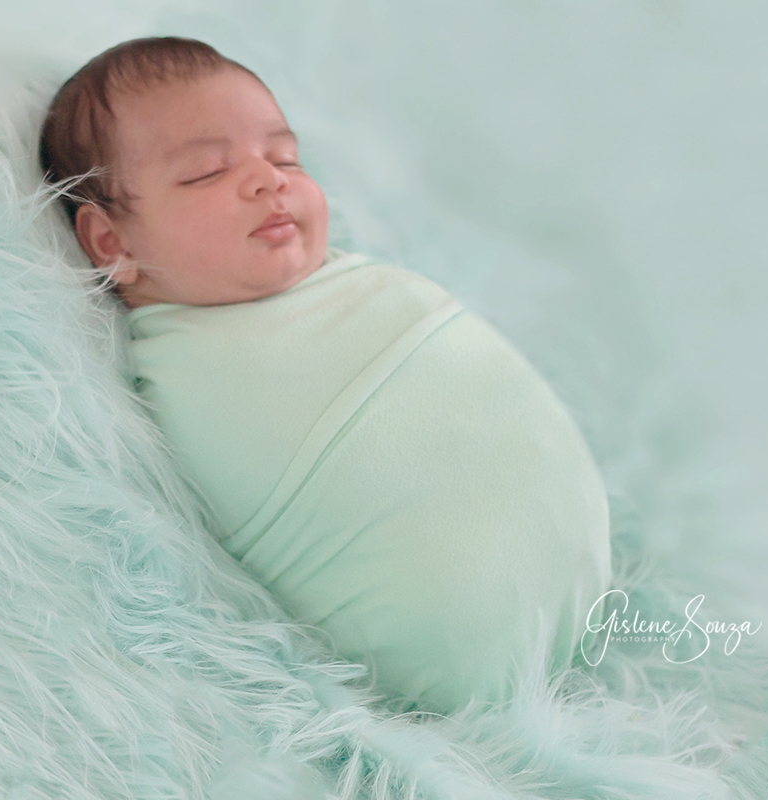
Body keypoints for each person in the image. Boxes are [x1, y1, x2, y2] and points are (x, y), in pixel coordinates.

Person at [39, 36, 612, 715]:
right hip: (444, 648)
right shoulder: (168, 370)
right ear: (113, 243)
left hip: (582, 585)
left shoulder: (350, 279)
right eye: (205, 173)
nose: (268, 179)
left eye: (285, 157)